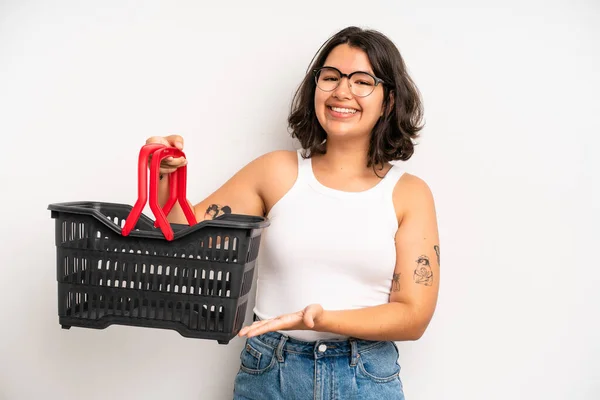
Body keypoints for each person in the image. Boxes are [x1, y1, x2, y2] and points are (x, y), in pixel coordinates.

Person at [146, 26, 440, 400]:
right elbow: (182, 241)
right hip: (271, 373)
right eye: (330, 77)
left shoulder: (410, 194)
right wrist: (162, 178)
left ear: (389, 100)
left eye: (362, 81)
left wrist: (317, 318)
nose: (341, 91)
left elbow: (413, 316)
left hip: (366, 378)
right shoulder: (276, 172)